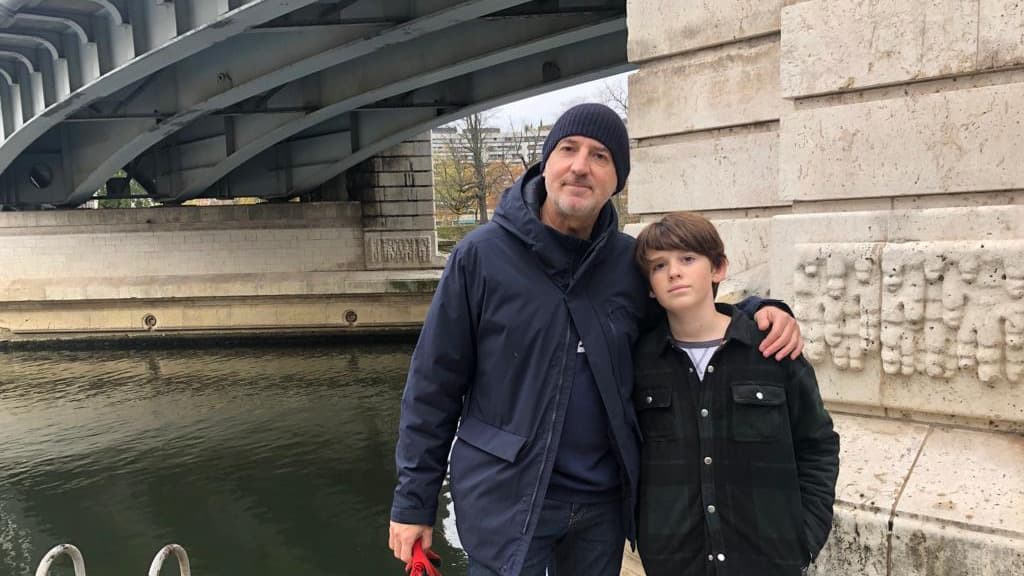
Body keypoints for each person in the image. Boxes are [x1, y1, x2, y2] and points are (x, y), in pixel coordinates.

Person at [388, 103, 804, 576]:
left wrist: (757, 312)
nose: (581, 166)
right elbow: (432, 387)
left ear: (616, 181)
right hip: (507, 497)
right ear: (547, 163)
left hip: (601, 504)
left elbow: (689, 313)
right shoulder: (479, 257)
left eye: (601, 156)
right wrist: (413, 503)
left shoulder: (629, 265)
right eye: (568, 149)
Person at [631, 212, 839, 576]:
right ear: (650, 286)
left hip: (768, 559)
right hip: (674, 560)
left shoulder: (771, 349)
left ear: (718, 268)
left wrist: (805, 535)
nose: (674, 272)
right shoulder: (639, 363)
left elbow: (817, 444)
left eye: (687, 259)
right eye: (659, 266)